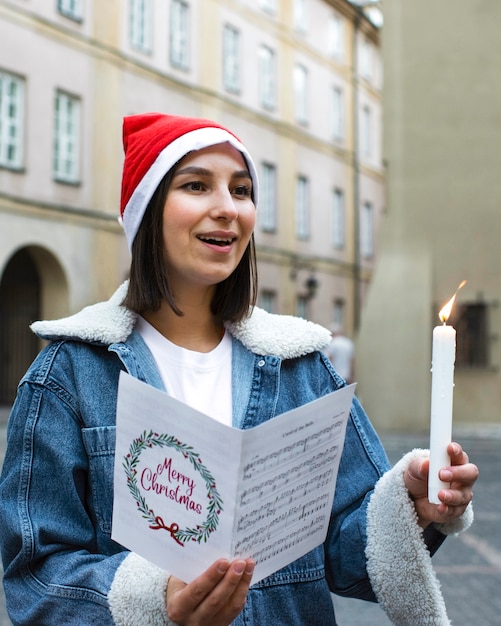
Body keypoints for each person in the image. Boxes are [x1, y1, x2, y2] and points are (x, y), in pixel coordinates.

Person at [0, 112, 478, 626]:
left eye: (243, 189)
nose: (227, 208)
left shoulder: (302, 366)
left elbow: (349, 559)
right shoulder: (69, 375)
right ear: (147, 210)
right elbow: (36, 578)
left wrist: (411, 504)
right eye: (196, 185)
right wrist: (156, 601)